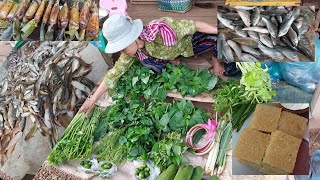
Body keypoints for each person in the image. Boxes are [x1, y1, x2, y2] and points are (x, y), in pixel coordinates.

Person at [79, 14, 222, 116]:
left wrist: (220, 33)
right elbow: (113, 75)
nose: (122, 51)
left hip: (188, 44)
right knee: (147, 61)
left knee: (219, 41)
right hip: (169, 53)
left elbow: (195, 25)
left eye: (123, 47)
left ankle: (205, 56)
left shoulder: (162, 30)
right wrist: (92, 100)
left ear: (133, 37)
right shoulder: (133, 52)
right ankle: (171, 59)